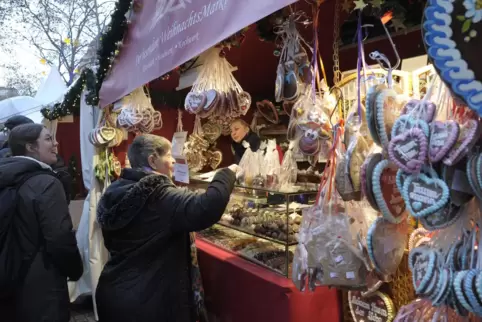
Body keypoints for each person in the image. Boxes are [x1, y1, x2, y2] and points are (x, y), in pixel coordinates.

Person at [96, 134, 239, 322]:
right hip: (150, 304)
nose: (173, 161)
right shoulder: (158, 195)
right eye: (169, 155)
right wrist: (227, 173)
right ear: (153, 160)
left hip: (115, 293)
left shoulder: (115, 190)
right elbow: (208, 207)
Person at [0, 123, 83, 322]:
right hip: (42, 285)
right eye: (48, 139)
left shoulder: (5, 176)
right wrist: (75, 270)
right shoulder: (46, 183)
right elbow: (60, 237)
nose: (56, 143)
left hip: (8, 276)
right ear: (31, 147)